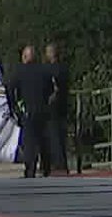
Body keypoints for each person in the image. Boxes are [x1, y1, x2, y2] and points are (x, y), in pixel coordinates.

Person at [6, 44, 56, 178]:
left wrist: (14, 108)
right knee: (44, 140)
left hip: (27, 110)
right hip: (43, 110)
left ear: (25, 57)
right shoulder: (44, 70)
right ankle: (46, 167)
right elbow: (51, 91)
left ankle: (30, 169)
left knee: (30, 142)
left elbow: (10, 89)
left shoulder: (19, 71)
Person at [43, 42, 70, 174]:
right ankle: (63, 163)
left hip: (52, 107)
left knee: (53, 136)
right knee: (61, 136)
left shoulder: (49, 70)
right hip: (63, 105)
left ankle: (57, 164)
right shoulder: (64, 68)